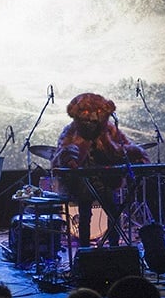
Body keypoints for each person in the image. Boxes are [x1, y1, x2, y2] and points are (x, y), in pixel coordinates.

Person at [52, 92, 149, 247]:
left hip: (106, 180)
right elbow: (61, 155)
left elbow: (126, 148)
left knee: (113, 213)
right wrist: (69, 157)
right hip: (83, 181)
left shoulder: (110, 130)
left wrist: (132, 153)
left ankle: (114, 247)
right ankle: (84, 250)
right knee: (85, 214)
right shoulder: (71, 131)